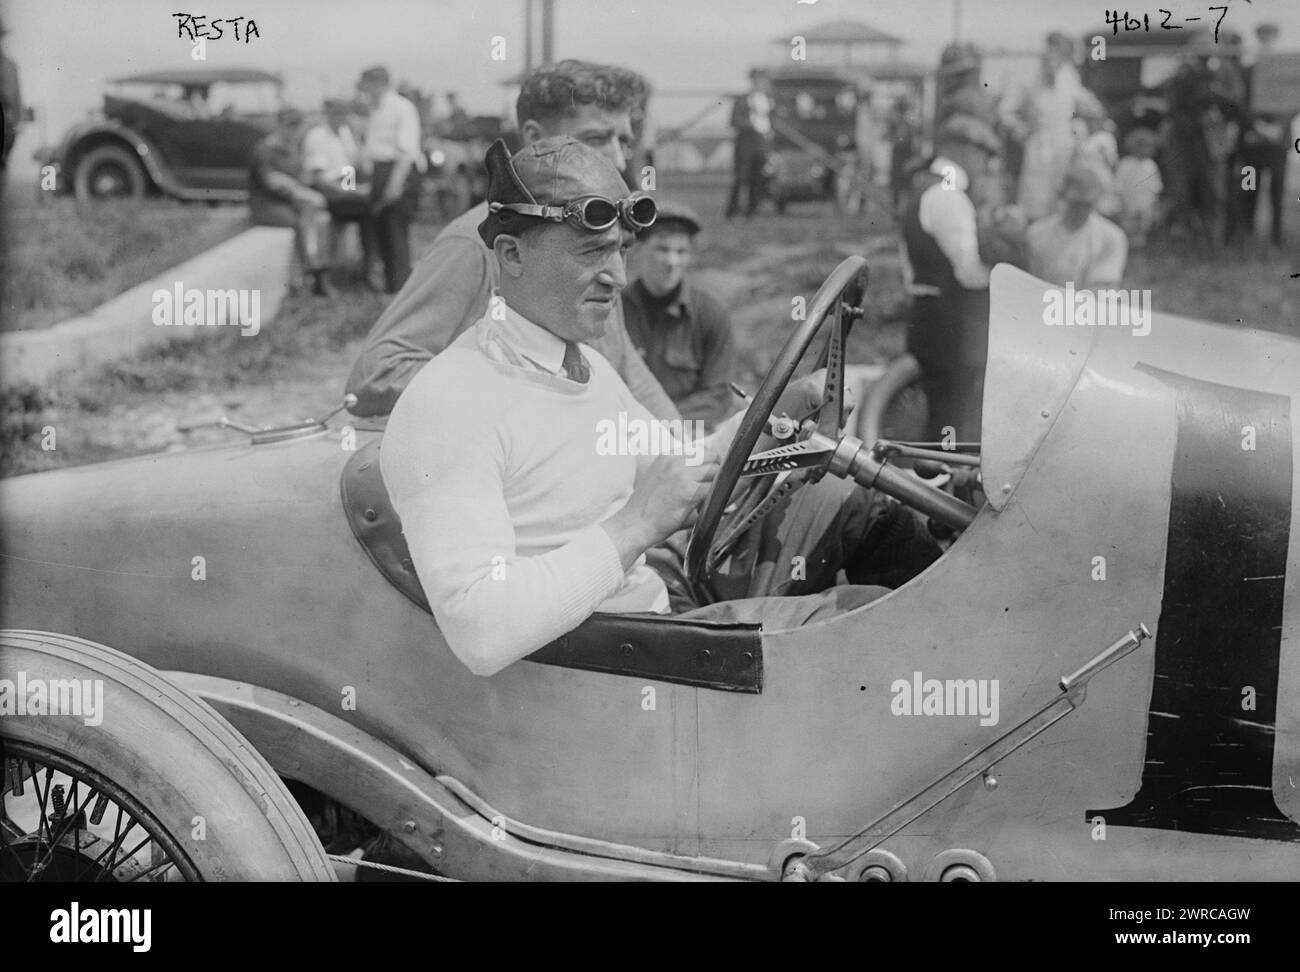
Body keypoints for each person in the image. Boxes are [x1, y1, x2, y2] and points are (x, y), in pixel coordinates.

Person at [381, 136, 939, 677]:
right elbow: (480, 631)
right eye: (591, 252)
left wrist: (773, 418)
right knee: (878, 620)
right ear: (512, 254)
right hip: (614, 671)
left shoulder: (581, 366)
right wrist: (636, 524)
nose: (619, 277)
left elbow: (677, 469)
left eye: (621, 251)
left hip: (650, 617)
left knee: (863, 509)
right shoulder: (450, 404)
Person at [344, 59, 676, 421]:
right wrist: (520, 394)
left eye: (624, 140)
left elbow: (625, 370)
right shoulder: (478, 241)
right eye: (596, 138)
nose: (615, 156)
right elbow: (377, 374)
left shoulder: (605, 238)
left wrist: (692, 451)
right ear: (535, 138)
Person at [899, 115, 1001, 445]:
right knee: (952, 418)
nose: (985, 163)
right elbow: (970, 273)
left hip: (928, 313)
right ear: (961, 151)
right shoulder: (948, 196)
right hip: (949, 320)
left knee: (944, 414)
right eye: (982, 153)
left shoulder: (927, 187)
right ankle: (931, 490)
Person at [621, 201, 735, 429]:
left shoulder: (711, 314)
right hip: (622, 429)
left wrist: (664, 423)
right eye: (662, 249)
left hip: (685, 432)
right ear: (640, 248)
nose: (672, 262)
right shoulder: (615, 309)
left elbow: (718, 394)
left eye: (681, 252)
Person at [248, 107, 334, 297]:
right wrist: (300, 190)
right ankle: (308, 274)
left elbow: (298, 179)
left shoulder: (293, 150)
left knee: (315, 219)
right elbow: (273, 182)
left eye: (296, 126)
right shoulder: (264, 149)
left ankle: (315, 271)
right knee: (300, 223)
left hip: (290, 203)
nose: (292, 130)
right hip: (267, 205)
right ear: (278, 125)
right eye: (289, 125)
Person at [356, 66, 426, 294]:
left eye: (366, 86)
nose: (364, 91)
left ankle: (400, 290)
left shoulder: (401, 108)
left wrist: (395, 185)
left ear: (378, 83)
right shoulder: (376, 111)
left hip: (398, 172)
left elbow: (406, 152)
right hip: (381, 172)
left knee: (396, 234)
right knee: (383, 232)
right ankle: (390, 286)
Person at [302, 99, 380, 287]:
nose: (341, 118)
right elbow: (320, 178)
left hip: (346, 186)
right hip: (328, 190)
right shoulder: (317, 136)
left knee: (375, 209)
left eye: (344, 114)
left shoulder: (346, 134)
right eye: (337, 113)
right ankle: (367, 268)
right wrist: (352, 191)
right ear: (327, 114)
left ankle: (368, 266)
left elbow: (355, 164)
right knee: (370, 208)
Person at [1017, 32, 1087, 222]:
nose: (1053, 60)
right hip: (1039, 143)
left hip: (1064, 142)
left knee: (1061, 192)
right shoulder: (1030, 79)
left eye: (1059, 54)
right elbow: (1008, 110)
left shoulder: (1069, 75)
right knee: (1036, 196)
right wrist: (1022, 129)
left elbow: (1082, 102)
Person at [1026, 157, 1128, 287]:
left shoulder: (1111, 238)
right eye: (1075, 203)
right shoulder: (1037, 232)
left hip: (1090, 304)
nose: (1080, 210)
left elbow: (1102, 289)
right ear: (1063, 196)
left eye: (1086, 204)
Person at [724, 72, 773, 220]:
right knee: (740, 178)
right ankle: (732, 210)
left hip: (761, 145)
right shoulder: (742, 100)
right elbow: (734, 121)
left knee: (757, 179)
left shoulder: (769, 102)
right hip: (745, 143)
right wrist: (750, 124)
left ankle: (752, 211)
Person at [1113, 128, 1163, 247]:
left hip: (1146, 205)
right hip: (1128, 205)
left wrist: (1154, 206)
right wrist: (1122, 204)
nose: (1149, 150)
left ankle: (1139, 257)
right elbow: (1118, 186)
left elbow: (1155, 188)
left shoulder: (1150, 165)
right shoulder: (1126, 163)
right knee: (1127, 234)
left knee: (1141, 235)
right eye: (1145, 146)